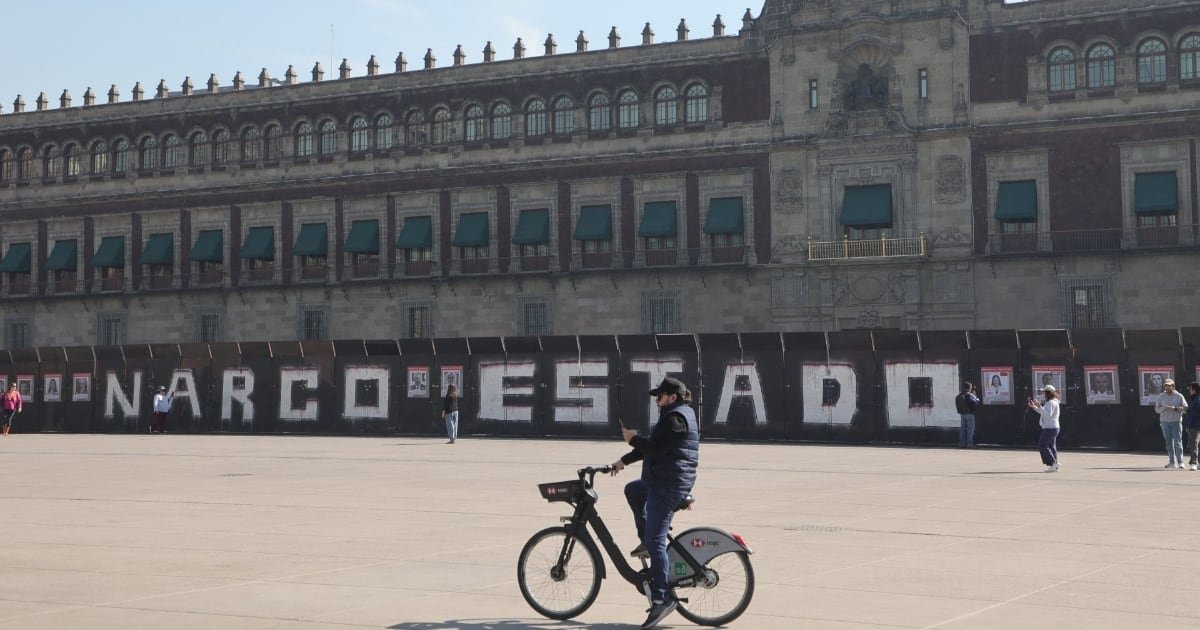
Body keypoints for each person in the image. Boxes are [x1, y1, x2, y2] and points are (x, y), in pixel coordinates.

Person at [609, 377, 699, 629]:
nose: (656, 401)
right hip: (664, 480)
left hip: (668, 485)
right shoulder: (675, 416)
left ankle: (662, 598)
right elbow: (652, 447)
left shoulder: (674, 420)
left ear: (672, 397)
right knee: (633, 490)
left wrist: (632, 439)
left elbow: (655, 449)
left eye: (659, 396)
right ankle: (646, 543)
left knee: (657, 541)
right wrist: (623, 461)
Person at [1154, 379, 1188, 469]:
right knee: (1168, 442)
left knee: (1178, 442)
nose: (1167, 387)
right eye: (1166, 386)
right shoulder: (1161, 396)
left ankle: (1181, 462)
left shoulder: (1179, 396)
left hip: (1176, 421)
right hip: (1164, 422)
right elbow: (1156, 409)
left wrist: (1174, 408)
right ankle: (1172, 462)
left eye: (1169, 386)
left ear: (1173, 386)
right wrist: (1164, 408)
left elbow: (1185, 408)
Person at [1027, 384, 1061, 472]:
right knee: (1051, 446)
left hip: (1050, 428)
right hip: (1053, 427)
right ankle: (1054, 466)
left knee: (1042, 445)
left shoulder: (1051, 402)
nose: (1043, 394)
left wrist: (1039, 406)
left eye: (1044, 392)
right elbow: (1044, 412)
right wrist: (1034, 407)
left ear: (1048, 393)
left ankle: (1053, 463)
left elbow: (1047, 414)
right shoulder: (1052, 402)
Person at [955, 382, 980, 448]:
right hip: (970, 413)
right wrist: (975, 396)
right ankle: (969, 444)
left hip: (962, 414)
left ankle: (961, 444)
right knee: (970, 429)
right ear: (969, 388)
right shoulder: (970, 395)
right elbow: (977, 402)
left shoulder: (959, 396)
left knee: (962, 429)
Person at [1183, 383, 1200, 471]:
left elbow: (1195, 412)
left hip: (1195, 425)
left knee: (1193, 444)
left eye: (1190, 389)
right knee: (1196, 444)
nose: (1189, 390)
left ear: (1194, 390)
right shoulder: (1193, 399)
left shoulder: (1197, 399)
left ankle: (1194, 463)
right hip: (1192, 424)